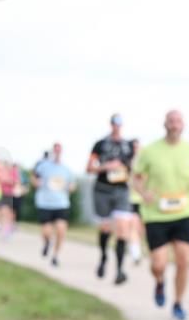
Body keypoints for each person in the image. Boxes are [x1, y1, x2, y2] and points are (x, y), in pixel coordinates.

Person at [132, 110, 189, 320]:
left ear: (183, 125)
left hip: (184, 214)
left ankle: (178, 303)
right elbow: (137, 177)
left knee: (184, 260)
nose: (175, 125)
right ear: (165, 124)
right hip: (156, 215)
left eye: (178, 121)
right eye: (171, 121)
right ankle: (160, 282)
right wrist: (143, 193)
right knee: (158, 264)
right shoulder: (150, 151)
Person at [87, 113, 135, 284]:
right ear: (111, 124)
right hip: (102, 190)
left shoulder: (128, 145)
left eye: (119, 124)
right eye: (114, 123)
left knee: (122, 230)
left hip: (121, 190)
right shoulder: (100, 145)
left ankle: (120, 270)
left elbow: (135, 167)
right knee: (106, 228)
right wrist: (106, 166)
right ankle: (103, 257)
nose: (117, 126)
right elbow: (90, 168)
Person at [31, 142, 76, 267]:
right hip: (45, 202)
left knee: (61, 230)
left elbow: (72, 185)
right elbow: (34, 177)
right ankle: (47, 242)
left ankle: (55, 256)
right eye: (55, 150)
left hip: (61, 203)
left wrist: (70, 187)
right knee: (46, 231)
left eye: (59, 150)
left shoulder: (66, 169)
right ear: (52, 151)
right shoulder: (43, 166)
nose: (57, 152)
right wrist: (36, 183)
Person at [127, 138, 145, 265]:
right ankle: (136, 253)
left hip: (144, 200)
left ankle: (136, 248)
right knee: (133, 226)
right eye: (133, 147)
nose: (136, 149)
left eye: (137, 147)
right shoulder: (126, 163)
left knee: (141, 229)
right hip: (130, 199)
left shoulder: (146, 163)